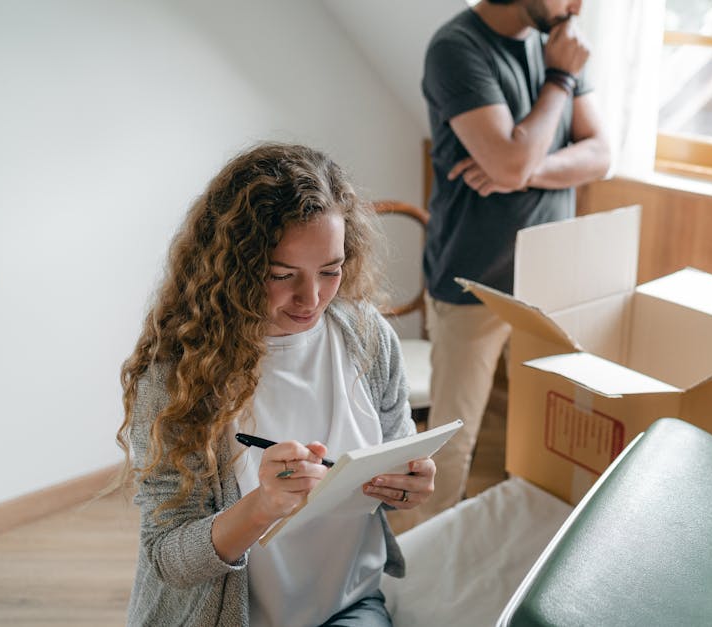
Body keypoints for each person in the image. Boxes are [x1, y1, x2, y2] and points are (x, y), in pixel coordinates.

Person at [115, 142, 435, 626]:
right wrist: (261, 507)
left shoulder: (370, 338)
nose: (312, 299)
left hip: (348, 605)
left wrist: (407, 483)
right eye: (282, 275)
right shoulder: (179, 375)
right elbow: (168, 557)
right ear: (235, 269)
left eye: (331, 270)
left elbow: (397, 447)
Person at [408, 0, 611, 525]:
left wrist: (525, 168)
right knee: (449, 453)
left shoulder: (556, 38)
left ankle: (480, 553)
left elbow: (602, 154)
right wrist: (560, 78)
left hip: (547, 288)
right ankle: (408, 571)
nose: (578, 6)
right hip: (472, 283)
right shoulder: (457, 48)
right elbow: (510, 160)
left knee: (525, 445)